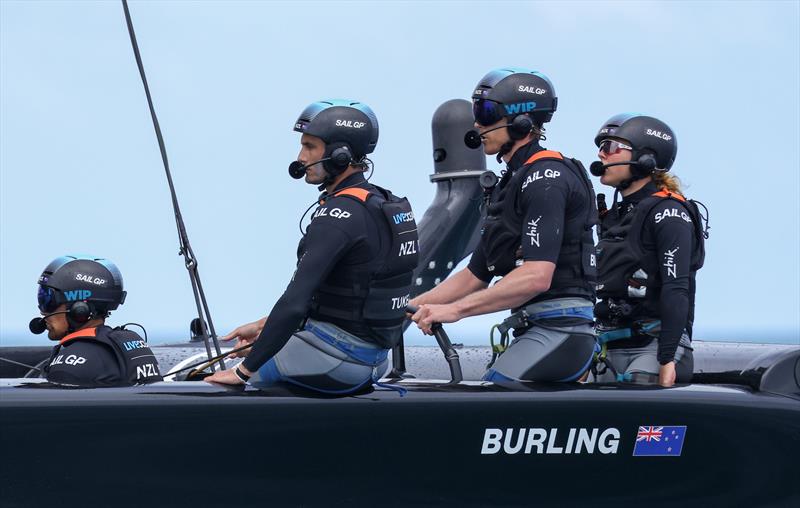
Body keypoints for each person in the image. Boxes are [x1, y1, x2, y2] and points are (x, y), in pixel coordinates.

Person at [205, 100, 419, 393]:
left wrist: (243, 372)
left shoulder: (337, 216)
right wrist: (264, 327)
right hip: (375, 361)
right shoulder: (381, 203)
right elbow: (348, 297)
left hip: (337, 359)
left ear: (340, 154)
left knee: (212, 383)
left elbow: (295, 302)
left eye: (310, 147)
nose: (301, 157)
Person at [410, 68, 598, 383]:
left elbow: (537, 277)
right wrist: (408, 306)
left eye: (485, 113)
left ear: (521, 121)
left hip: (561, 330)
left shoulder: (546, 178)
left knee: (487, 400)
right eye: (475, 112)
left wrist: (455, 311)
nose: (476, 124)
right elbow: (474, 276)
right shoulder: (511, 183)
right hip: (533, 328)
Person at [590, 114, 707, 386]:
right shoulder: (616, 216)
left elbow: (676, 288)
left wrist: (666, 359)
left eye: (610, 147)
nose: (601, 154)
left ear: (646, 157)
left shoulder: (669, 212)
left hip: (654, 348)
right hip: (610, 345)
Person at [35, 255, 162, 386]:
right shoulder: (133, 344)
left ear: (79, 309)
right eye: (41, 297)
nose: (43, 312)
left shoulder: (69, 365)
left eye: (48, 300)